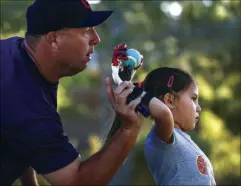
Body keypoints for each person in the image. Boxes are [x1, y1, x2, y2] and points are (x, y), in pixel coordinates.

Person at [0, 0, 145, 185]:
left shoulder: (15, 52)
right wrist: (128, 129)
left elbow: (21, 139)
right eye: (86, 30)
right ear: (53, 39)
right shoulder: (26, 104)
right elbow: (77, 181)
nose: (96, 38)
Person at [143, 67, 216, 185]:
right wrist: (136, 93)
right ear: (170, 100)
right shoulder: (163, 136)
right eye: (193, 98)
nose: (199, 108)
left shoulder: (184, 139)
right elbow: (163, 114)